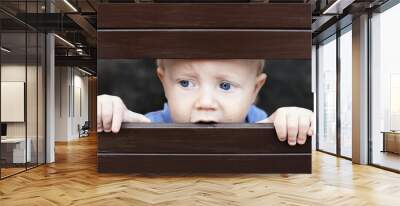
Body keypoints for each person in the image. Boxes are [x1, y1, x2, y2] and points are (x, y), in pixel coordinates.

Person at [97, 59, 314, 146]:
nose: (206, 102)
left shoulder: (264, 123)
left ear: (254, 90)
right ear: (164, 83)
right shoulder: (148, 124)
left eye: (225, 86)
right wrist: (114, 116)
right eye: (185, 83)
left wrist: (292, 121)